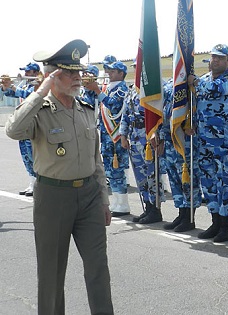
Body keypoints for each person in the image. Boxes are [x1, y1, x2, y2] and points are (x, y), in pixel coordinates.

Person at [5, 39, 114, 315]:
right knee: (52, 273)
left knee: (98, 267)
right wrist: (41, 90)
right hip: (53, 198)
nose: (78, 77)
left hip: (89, 197)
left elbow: (96, 160)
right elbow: (14, 130)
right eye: (69, 72)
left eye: (78, 71)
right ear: (52, 76)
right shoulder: (39, 112)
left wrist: (103, 199)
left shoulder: (86, 111)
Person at [188, 44, 228, 242]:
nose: (216, 60)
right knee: (209, 183)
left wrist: (194, 83)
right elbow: (196, 104)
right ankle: (215, 223)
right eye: (213, 57)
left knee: (225, 183)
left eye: (220, 57)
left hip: (225, 143)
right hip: (204, 141)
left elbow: (213, 89)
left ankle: (226, 227)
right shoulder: (202, 80)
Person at [118, 62, 165, 224]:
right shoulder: (132, 90)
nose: (137, 71)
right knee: (140, 176)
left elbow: (161, 116)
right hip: (135, 137)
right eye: (136, 67)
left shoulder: (156, 89)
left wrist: (160, 137)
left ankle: (155, 208)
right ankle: (148, 207)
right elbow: (125, 114)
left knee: (152, 174)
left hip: (149, 138)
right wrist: (123, 135)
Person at [87, 60, 130, 216]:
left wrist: (98, 90)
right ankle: (117, 202)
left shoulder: (122, 89)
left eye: (113, 71)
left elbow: (114, 105)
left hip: (116, 135)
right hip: (107, 135)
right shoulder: (108, 87)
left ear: (121, 73)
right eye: (109, 71)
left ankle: (123, 203)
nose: (109, 73)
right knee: (110, 170)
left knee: (117, 170)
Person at [161, 79, 202, 231]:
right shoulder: (169, 85)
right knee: (175, 179)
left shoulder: (192, 83)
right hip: (170, 139)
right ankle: (181, 213)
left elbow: (198, 107)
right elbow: (163, 110)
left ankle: (189, 217)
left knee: (188, 180)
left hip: (186, 141)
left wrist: (192, 124)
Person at [1, 62, 41, 197]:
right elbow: (12, 94)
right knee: (26, 156)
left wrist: (13, 86)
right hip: (22, 125)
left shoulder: (39, 86)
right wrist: (6, 86)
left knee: (33, 155)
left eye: (28, 72)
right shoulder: (24, 84)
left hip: (33, 125)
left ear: (35, 73)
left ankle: (39, 184)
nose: (25, 74)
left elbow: (30, 95)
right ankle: (32, 182)